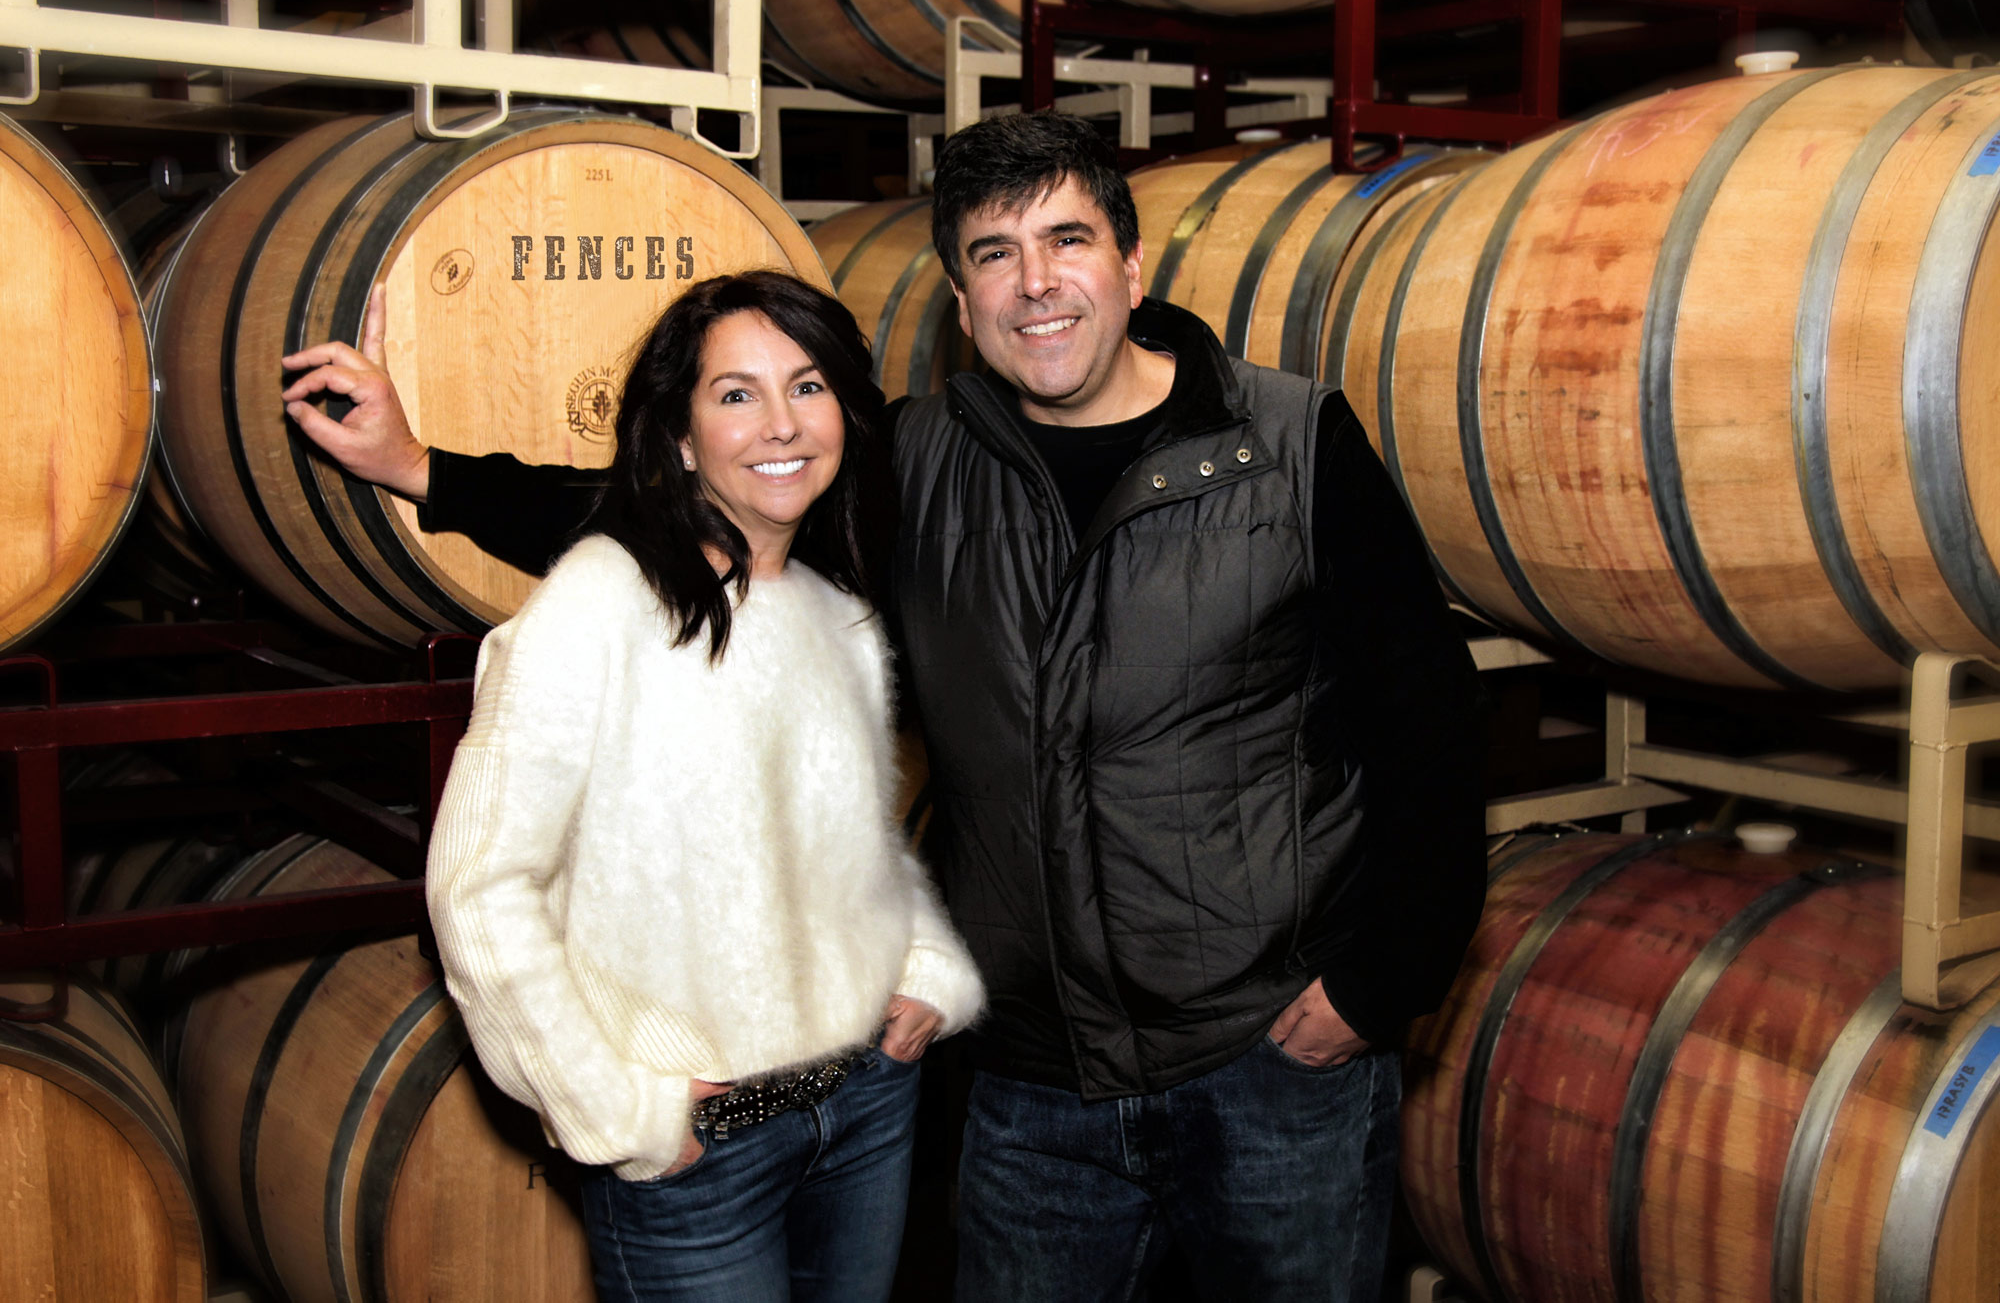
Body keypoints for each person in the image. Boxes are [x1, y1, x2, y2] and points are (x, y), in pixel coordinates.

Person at [284, 114, 1486, 1302]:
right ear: (961, 306)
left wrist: (1379, 984)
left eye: (1065, 240)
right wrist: (424, 468)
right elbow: (708, 504)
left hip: (1269, 1060)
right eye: (992, 254)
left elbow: (1427, 725)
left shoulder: (1289, 447)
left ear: (1129, 265)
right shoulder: (920, 465)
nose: (1035, 284)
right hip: (1031, 1085)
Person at [282, 270, 984, 1302]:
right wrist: (615, 1108)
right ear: (681, 435)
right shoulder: (595, 608)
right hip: (708, 1145)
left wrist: (922, 962)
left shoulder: (832, 610)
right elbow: (477, 886)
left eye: (807, 386)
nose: (779, 423)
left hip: (866, 1107)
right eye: (735, 394)